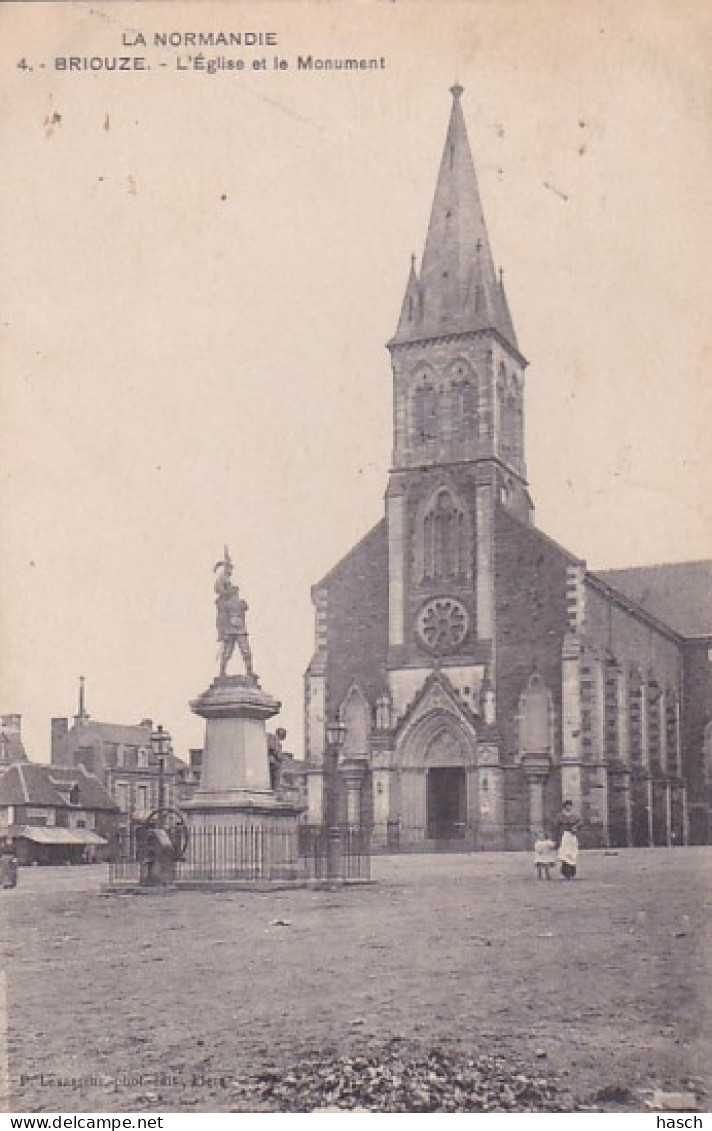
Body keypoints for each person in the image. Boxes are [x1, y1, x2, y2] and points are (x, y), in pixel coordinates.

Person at [556, 799, 582, 879]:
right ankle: (565, 872)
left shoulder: (576, 816)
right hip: (564, 836)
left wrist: (576, 828)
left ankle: (572, 872)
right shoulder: (560, 816)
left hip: (572, 836)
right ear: (564, 807)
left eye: (570, 806)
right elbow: (557, 826)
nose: (568, 807)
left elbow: (580, 824)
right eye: (567, 806)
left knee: (572, 854)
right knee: (564, 854)